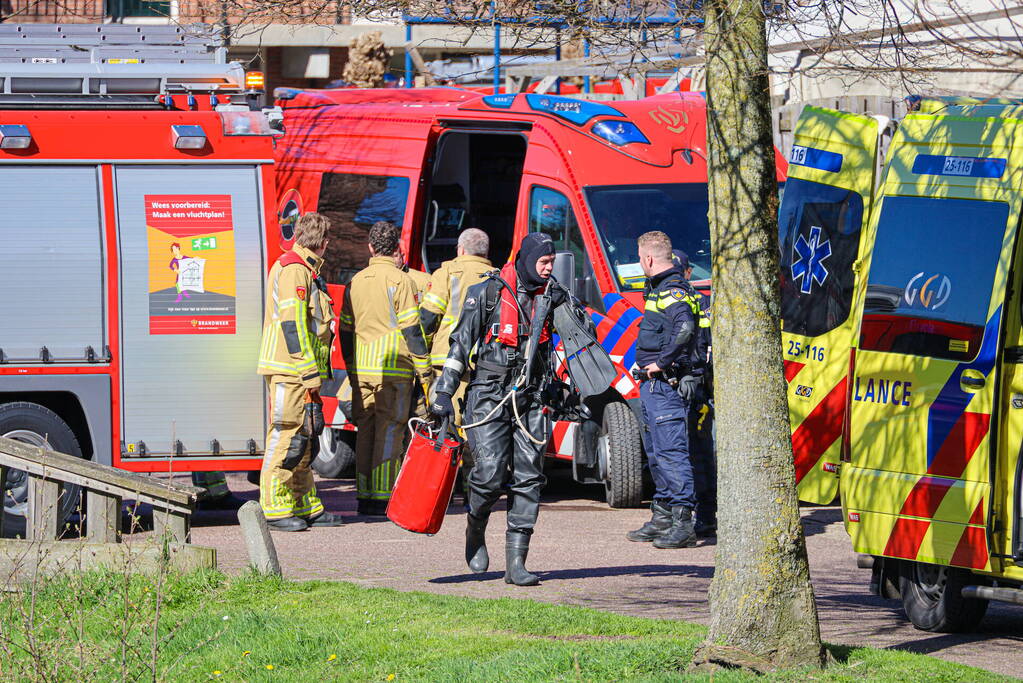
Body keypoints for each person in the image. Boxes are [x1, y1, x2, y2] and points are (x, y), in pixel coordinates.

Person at [430, 233, 591, 586]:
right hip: (488, 394)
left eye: (552, 262)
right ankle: (476, 523)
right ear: (528, 259)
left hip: (532, 397)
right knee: (488, 473)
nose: (549, 268)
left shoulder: (555, 297)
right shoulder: (486, 294)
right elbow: (459, 347)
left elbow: (581, 341)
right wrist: (443, 393)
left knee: (529, 477)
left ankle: (515, 563)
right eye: (543, 262)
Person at [256, 212, 344, 531]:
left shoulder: (305, 269)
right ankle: (275, 507)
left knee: (305, 439)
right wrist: (308, 371)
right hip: (290, 369)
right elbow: (292, 324)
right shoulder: (295, 269)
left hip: (301, 372)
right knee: (286, 435)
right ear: (323, 243)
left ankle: (305, 504)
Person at [339, 221, 431, 516]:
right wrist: (425, 371)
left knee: (364, 431)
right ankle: (381, 497)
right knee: (390, 431)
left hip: (362, 370)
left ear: (370, 247)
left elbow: (345, 331)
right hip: (394, 369)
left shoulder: (356, 281)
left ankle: (364, 496)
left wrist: (352, 369)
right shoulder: (401, 281)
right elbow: (412, 331)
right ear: (397, 249)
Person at [626, 231, 703, 549]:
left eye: (639, 259)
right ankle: (662, 516)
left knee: (672, 455)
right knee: (657, 454)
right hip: (652, 386)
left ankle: (683, 523)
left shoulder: (672, 290)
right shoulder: (659, 288)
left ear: (647, 259)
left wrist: (661, 362)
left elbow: (685, 328)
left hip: (665, 384)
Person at [673, 249, 717, 537]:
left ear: (688, 274)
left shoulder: (702, 305)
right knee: (672, 455)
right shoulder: (663, 302)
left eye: (680, 273)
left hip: (696, 388)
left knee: (699, 453)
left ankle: (705, 514)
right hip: (669, 387)